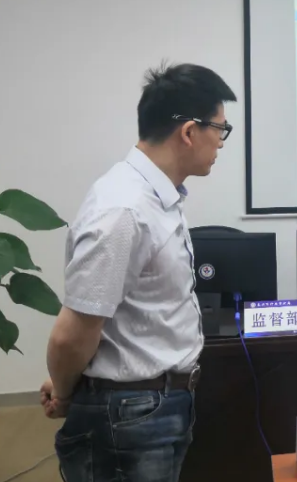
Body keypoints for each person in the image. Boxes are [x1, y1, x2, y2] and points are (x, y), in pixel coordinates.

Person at [40, 63, 236, 482]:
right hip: (129, 416)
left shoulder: (155, 196)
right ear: (189, 132)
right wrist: (65, 391)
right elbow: (71, 333)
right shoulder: (125, 210)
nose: (221, 141)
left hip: (153, 406)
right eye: (220, 128)